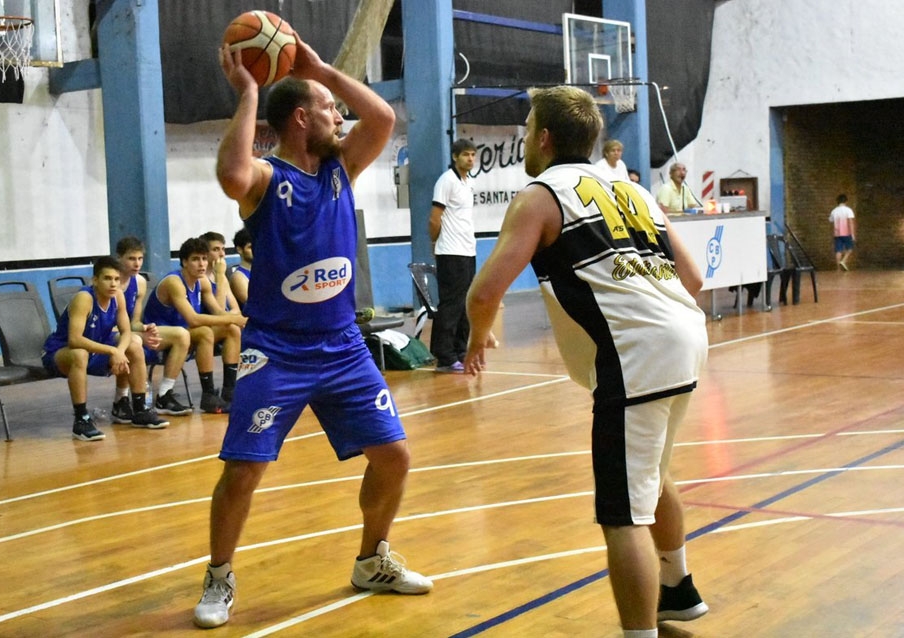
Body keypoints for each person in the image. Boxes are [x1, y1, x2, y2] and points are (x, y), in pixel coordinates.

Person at [192, 33, 432, 629]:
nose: (341, 116)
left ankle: (371, 560)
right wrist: (249, 92)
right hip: (277, 350)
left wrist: (322, 70)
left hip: (343, 345)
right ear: (301, 118)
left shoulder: (339, 169)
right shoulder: (266, 179)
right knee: (243, 469)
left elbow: (381, 117)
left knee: (394, 457)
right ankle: (219, 576)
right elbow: (230, 172)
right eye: (329, 108)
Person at [464, 85, 709, 637]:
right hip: (686, 338)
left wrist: (478, 338)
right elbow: (693, 278)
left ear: (544, 138)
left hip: (637, 354)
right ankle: (678, 588)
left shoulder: (539, 196)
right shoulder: (633, 190)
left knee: (622, 515)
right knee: (653, 474)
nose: (528, 137)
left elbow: (484, 293)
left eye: (529, 128)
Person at [42, 256, 169, 441]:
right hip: (61, 352)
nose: (113, 283)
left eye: (116, 279)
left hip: (95, 351)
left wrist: (120, 352)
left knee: (134, 345)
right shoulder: (84, 299)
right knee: (80, 354)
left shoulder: (118, 296)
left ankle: (140, 409)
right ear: (95, 280)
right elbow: (75, 340)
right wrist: (113, 351)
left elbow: (126, 331)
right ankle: (81, 420)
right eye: (107, 278)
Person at [142, 237, 246, 414]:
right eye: (195, 259)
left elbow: (218, 311)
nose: (202, 264)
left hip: (184, 333)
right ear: (184, 262)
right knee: (205, 331)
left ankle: (228, 391)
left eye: (204, 258)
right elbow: (193, 320)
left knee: (231, 329)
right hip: (156, 334)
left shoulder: (202, 281)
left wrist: (239, 319)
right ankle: (167, 395)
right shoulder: (174, 282)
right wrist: (232, 318)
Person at [114, 236, 193, 417]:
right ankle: (121, 399)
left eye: (140, 258)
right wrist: (137, 335)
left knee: (181, 334)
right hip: (108, 334)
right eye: (131, 258)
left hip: (129, 332)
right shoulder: (110, 282)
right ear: (119, 257)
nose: (137, 263)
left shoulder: (140, 282)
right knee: (133, 342)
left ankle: (164, 395)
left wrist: (145, 328)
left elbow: (134, 322)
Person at [428, 138, 477, 373]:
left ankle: (460, 351)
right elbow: (434, 219)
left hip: (468, 250)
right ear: (455, 157)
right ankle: (444, 357)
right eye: (466, 154)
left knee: (466, 303)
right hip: (450, 252)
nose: (470, 159)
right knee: (451, 304)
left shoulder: (469, 182)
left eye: (473, 155)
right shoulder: (446, 181)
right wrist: (435, 243)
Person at [201, 231, 242, 314]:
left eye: (223, 249)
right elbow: (219, 312)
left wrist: (229, 317)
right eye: (216, 249)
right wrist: (220, 275)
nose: (222, 254)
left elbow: (237, 309)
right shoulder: (201, 279)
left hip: (228, 319)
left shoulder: (221, 274)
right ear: (204, 253)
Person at [829, 194, 856, 270]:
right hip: (847, 233)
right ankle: (844, 260)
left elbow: (831, 221)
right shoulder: (848, 210)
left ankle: (838, 268)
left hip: (837, 233)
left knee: (838, 250)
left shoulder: (834, 211)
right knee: (850, 248)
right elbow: (850, 222)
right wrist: (852, 234)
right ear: (846, 201)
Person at [228, 227, 253, 310]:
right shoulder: (239, 277)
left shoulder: (263, 271)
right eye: (250, 247)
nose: (255, 250)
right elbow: (254, 306)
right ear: (239, 250)